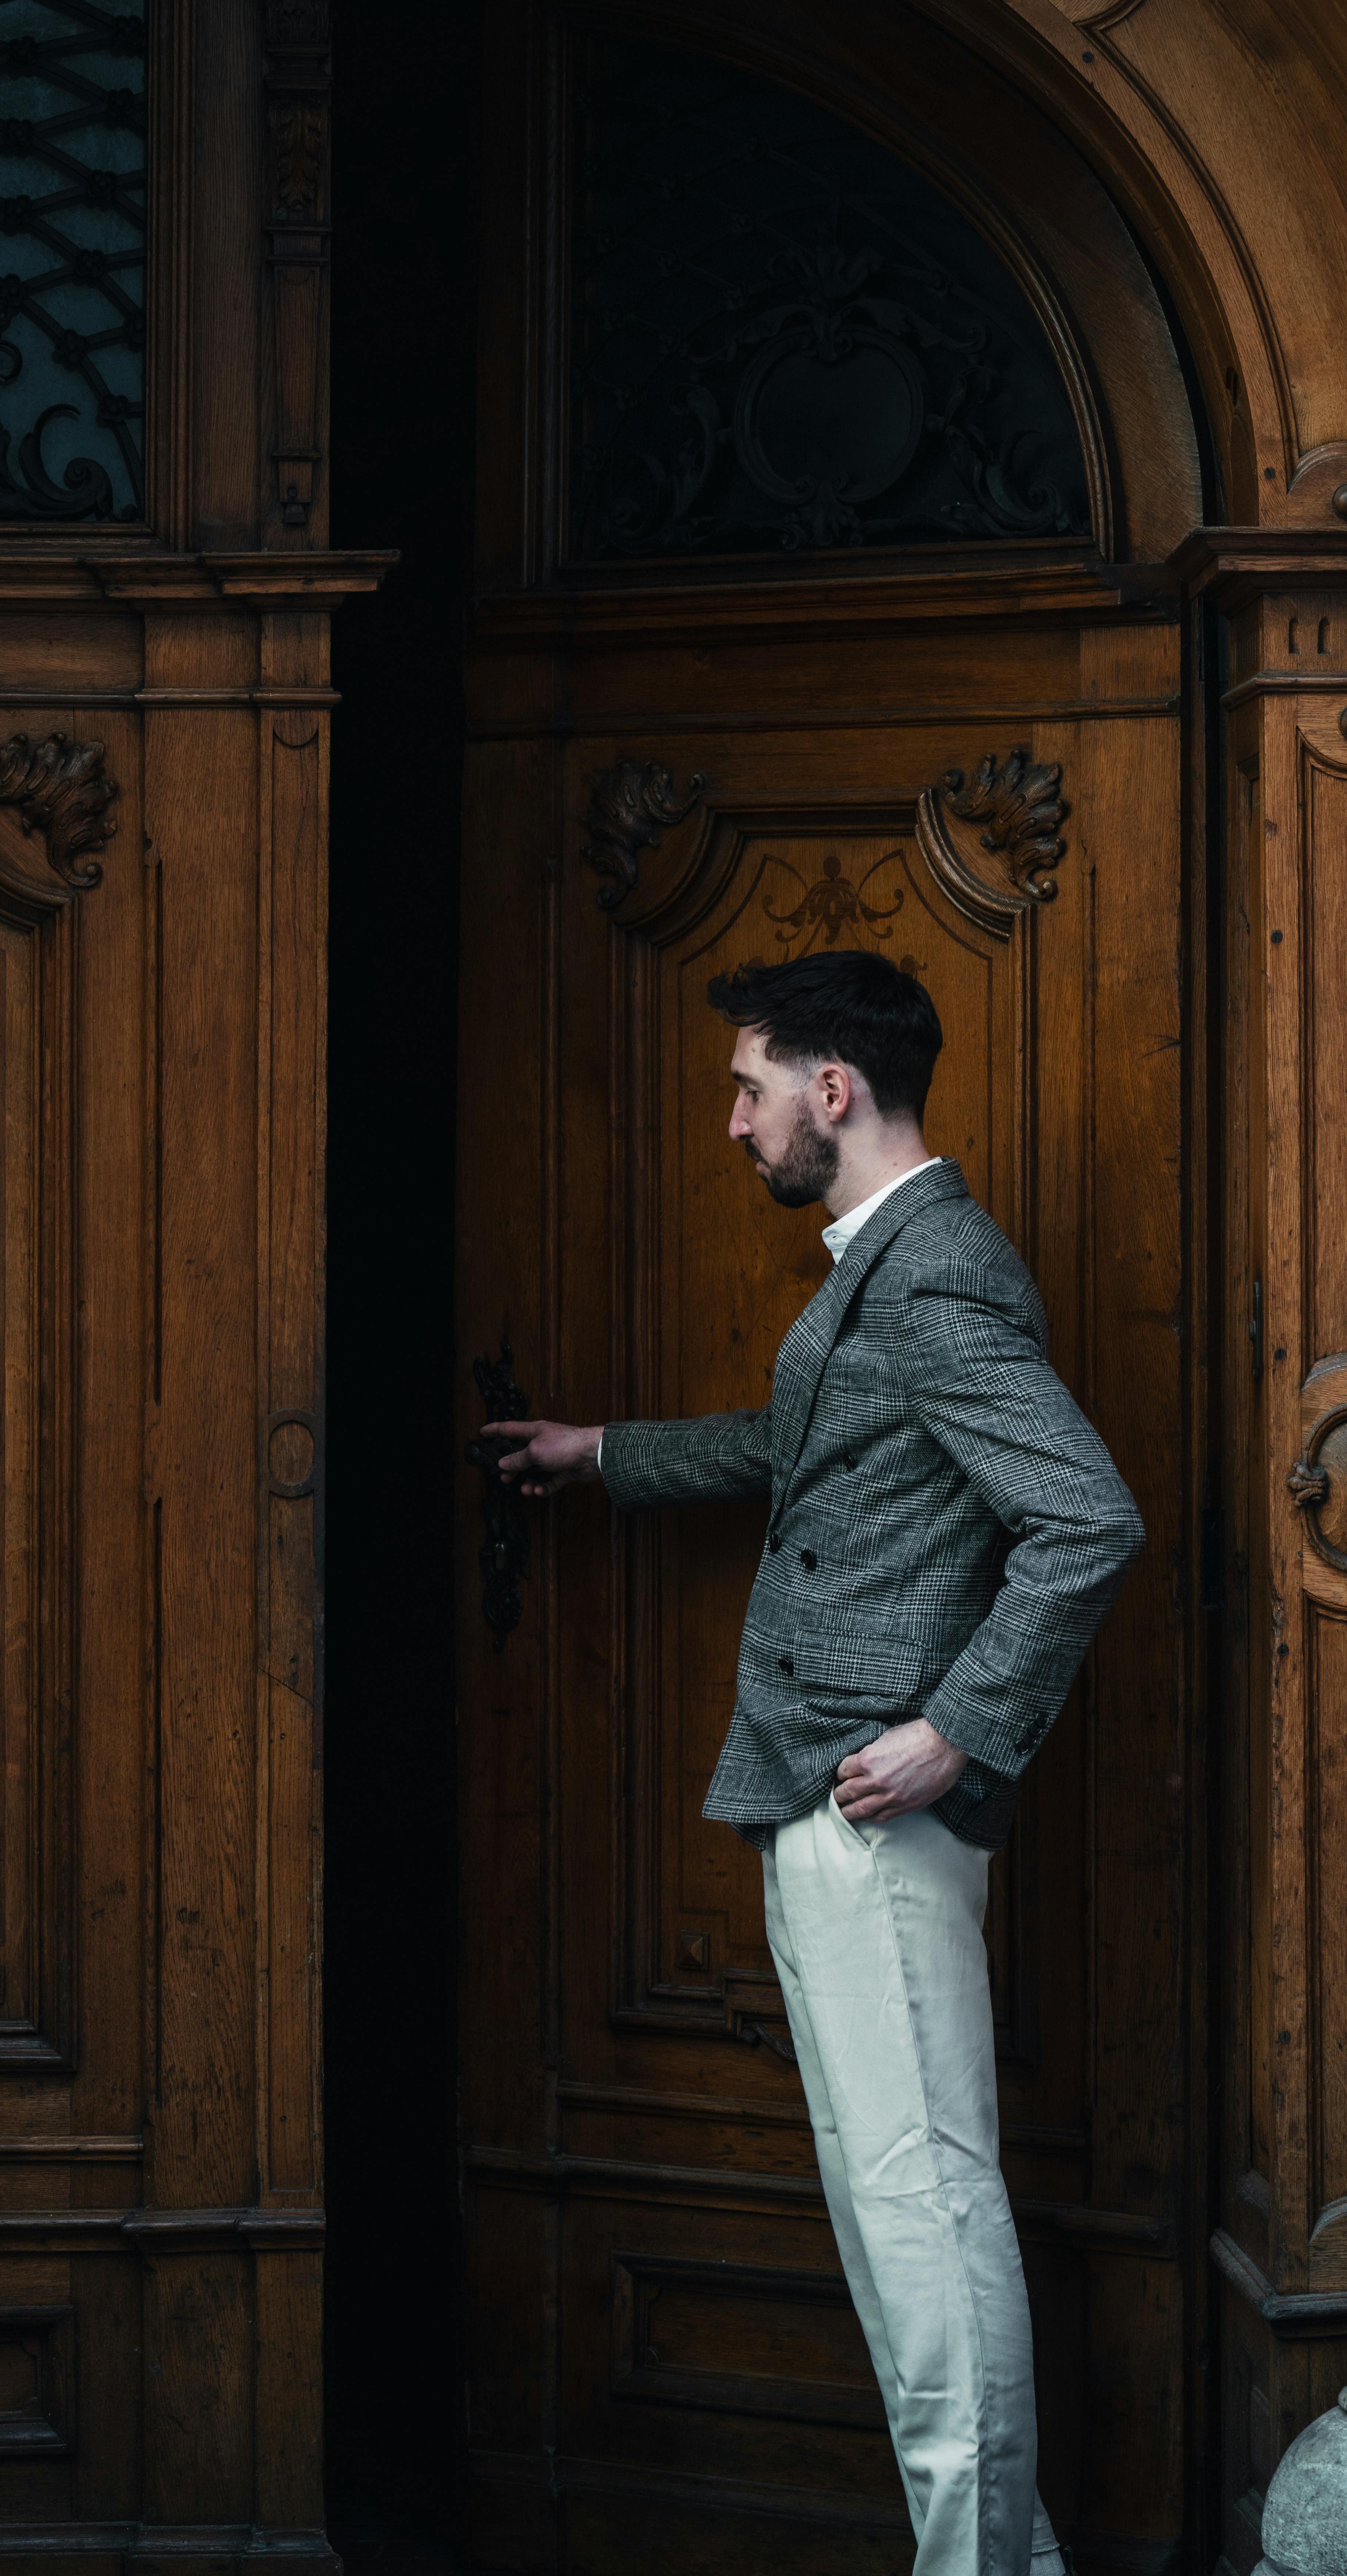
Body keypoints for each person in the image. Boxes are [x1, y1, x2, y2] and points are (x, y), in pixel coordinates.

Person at [485, 948, 1144, 2576]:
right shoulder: (887, 1263)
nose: (733, 1122)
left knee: (922, 2217)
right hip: (820, 1793)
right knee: (891, 2208)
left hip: (876, 1814)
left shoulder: (934, 1274)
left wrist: (957, 1730)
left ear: (828, 1091)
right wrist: (604, 1454)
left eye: (747, 1084)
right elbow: (810, 1441)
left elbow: (1086, 1516)